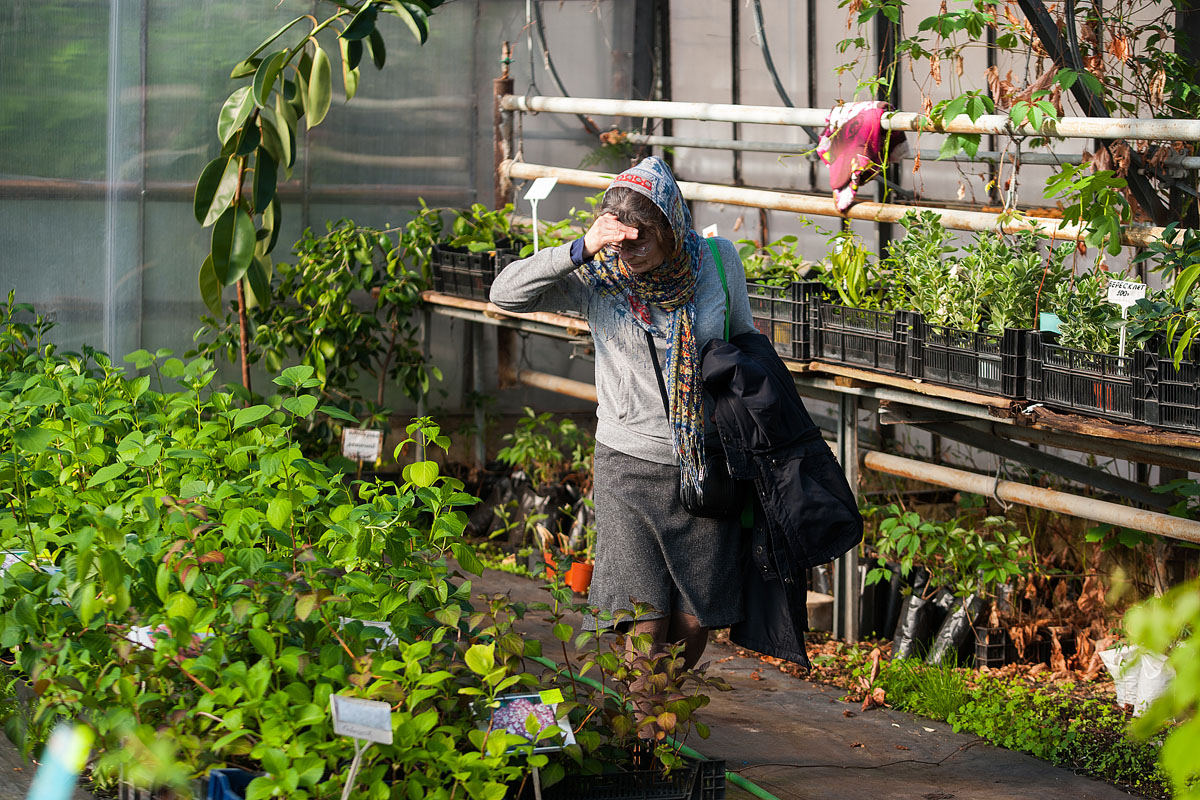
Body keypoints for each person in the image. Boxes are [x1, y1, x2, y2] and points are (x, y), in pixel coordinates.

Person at [489, 156, 756, 674]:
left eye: (641, 240)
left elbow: (743, 337)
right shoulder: (597, 274)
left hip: (705, 464)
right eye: (620, 239)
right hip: (627, 465)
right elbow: (505, 294)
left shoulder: (719, 262)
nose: (629, 251)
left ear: (671, 227)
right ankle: (644, 735)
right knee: (643, 619)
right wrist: (581, 248)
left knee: (694, 618)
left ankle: (662, 711)